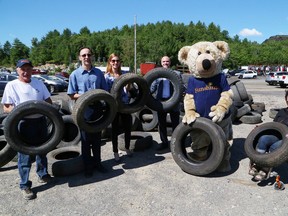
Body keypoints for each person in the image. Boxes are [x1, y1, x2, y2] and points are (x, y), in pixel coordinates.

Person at [1, 59, 53, 200]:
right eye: (22, 69)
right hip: (22, 123)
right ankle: (25, 185)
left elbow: (48, 102)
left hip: (40, 121)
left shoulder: (38, 83)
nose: (26, 72)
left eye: (28, 69)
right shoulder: (12, 85)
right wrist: (21, 111)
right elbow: (6, 107)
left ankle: (43, 174)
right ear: (17, 70)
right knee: (24, 155)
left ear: (32, 70)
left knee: (42, 149)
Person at [67, 47, 109, 178]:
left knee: (97, 139)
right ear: (80, 57)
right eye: (84, 55)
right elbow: (71, 94)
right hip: (83, 110)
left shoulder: (98, 73)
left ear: (92, 57)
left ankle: (98, 163)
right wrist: (85, 96)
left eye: (89, 55)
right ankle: (88, 167)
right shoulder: (75, 74)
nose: (86, 57)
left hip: (97, 109)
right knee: (85, 141)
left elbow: (104, 90)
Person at [249, 90, 288, 181]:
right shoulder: (282, 111)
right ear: (286, 98)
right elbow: (274, 125)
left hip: (287, 142)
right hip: (278, 136)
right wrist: (260, 128)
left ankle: (265, 169)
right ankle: (257, 164)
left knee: (274, 147)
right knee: (263, 139)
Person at [104, 53, 133, 162]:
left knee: (127, 127)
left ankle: (127, 147)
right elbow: (105, 91)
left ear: (120, 62)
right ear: (110, 62)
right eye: (113, 61)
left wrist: (129, 84)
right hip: (114, 106)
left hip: (125, 104)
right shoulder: (107, 76)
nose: (115, 63)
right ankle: (115, 152)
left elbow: (129, 88)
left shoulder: (125, 74)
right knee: (114, 130)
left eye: (117, 61)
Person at [151, 56, 181, 151]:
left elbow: (181, 87)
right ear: (161, 62)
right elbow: (152, 88)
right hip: (161, 102)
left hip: (174, 101)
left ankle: (176, 143)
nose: (165, 63)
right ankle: (164, 143)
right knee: (161, 123)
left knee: (175, 123)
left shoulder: (176, 74)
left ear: (170, 62)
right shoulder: (157, 74)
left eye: (167, 61)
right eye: (163, 61)